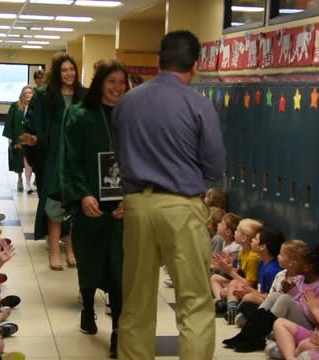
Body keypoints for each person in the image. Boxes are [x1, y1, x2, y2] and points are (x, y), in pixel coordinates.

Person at [111, 30, 226, 360]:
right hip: (181, 206)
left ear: (159, 61)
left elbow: (118, 154)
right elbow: (215, 166)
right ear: (195, 65)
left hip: (137, 205)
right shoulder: (198, 104)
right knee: (194, 303)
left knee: (136, 301)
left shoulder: (127, 102)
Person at [61, 59, 129, 358]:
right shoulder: (79, 115)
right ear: (100, 82)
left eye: (121, 83)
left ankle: (117, 331)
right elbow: (70, 159)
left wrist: (131, 198)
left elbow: (143, 161)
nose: (116, 88)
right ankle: (88, 309)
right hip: (90, 203)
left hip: (121, 208)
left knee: (119, 268)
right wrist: (83, 195)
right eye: (110, 82)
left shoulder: (132, 117)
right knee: (89, 262)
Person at [20, 53, 86, 270]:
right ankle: (55, 251)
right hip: (54, 157)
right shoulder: (45, 95)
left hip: (77, 157)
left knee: (76, 203)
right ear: (57, 73)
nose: (69, 74)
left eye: (72, 69)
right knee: (54, 202)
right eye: (64, 70)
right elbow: (36, 123)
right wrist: (34, 139)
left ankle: (72, 247)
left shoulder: (83, 95)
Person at [3, 86, 34, 193]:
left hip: (30, 139)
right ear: (22, 94)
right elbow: (10, 121)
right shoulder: (15, 106)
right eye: (26, 93)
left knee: (28, 161)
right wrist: (10, 137)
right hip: (18, 137)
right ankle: (20, 178)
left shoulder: (35, 107)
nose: (28, 94)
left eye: (30, 92)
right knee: (18, 161)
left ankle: (28, 183)